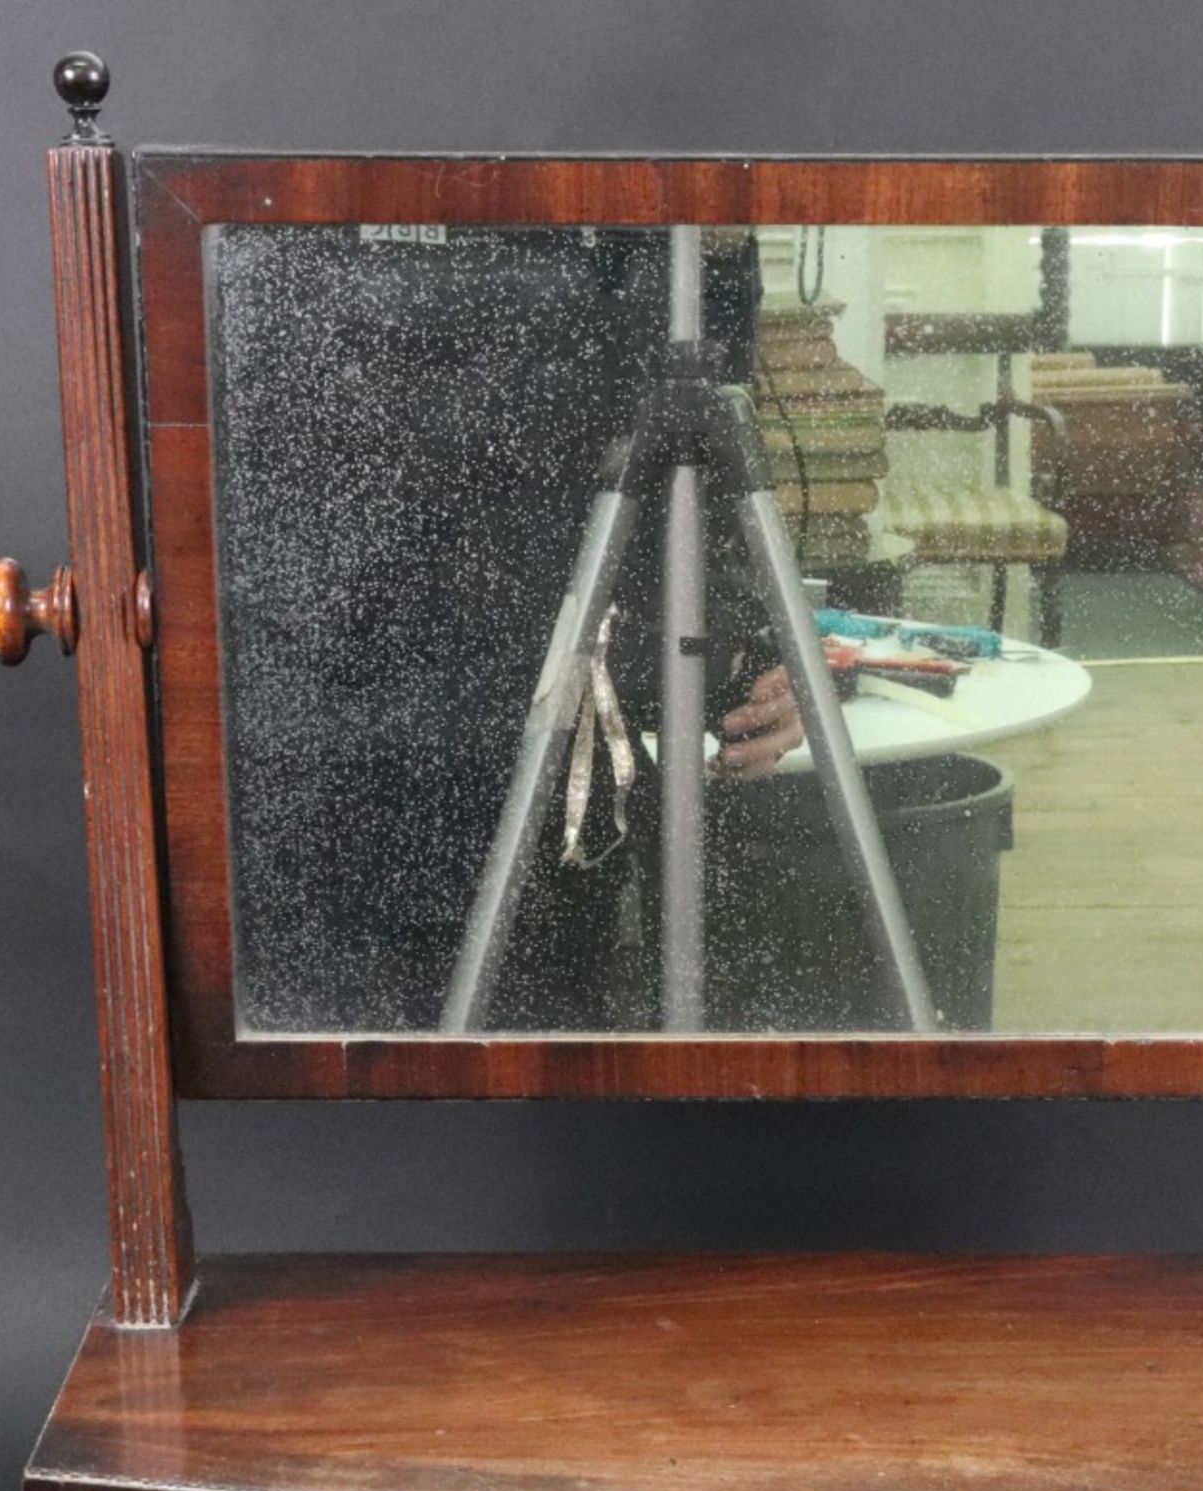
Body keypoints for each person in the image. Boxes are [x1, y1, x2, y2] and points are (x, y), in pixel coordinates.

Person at [209, 221, 801, 1033]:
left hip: (563, 818)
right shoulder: (284, 249)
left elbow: (678, 471)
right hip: (335, 809)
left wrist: (747, 647)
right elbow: (335, 542)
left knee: (555, 1102)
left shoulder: (638, 224)